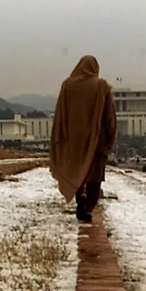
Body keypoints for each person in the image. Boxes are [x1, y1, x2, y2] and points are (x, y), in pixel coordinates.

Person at [50, 55, 117, 222]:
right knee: (94, 176)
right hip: (97, 140)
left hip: (73, 140)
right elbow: (109, 117)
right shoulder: (102, 86)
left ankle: (80, 197)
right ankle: (88, 208)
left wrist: (60, 136)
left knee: (77, 171)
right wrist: (110, 141)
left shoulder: (67, 85)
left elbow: (60, 113)